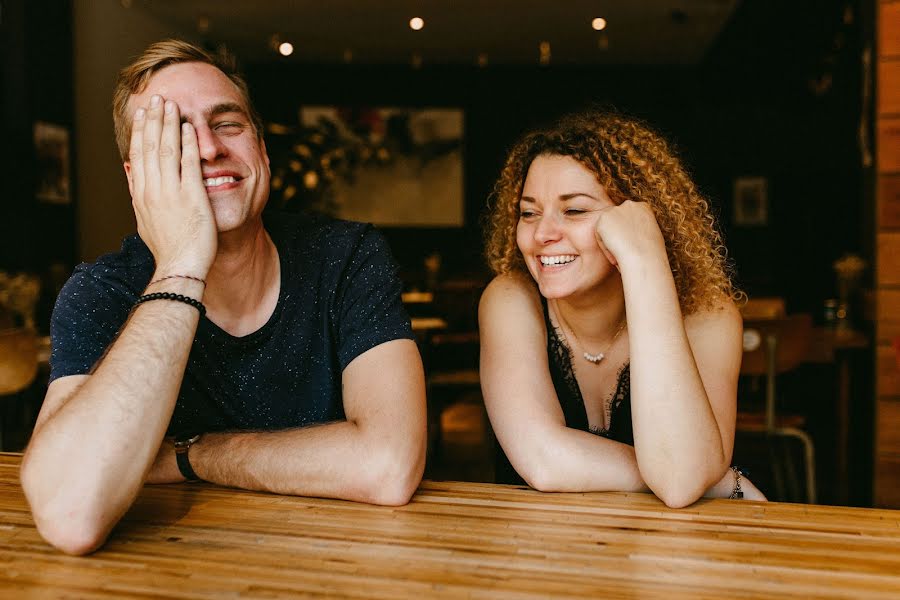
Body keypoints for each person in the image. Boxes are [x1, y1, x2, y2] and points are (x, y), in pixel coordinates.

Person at [20, 40, 427, 555]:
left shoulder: (345, 257)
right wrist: (181, 264)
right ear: (137, 176)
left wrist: (196, 455)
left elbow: (387, 466)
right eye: (177, 136)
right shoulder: (101, 291)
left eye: (227, 123)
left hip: (339, 558)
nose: (209, 149)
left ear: (261, 146)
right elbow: (69, 515)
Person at [479, 109, 764, 507]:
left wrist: (645, 260)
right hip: (540, 549)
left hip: (672, 557)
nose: (542, 233)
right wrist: (709, 480)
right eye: (528, 213)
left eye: (574, 210)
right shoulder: (510, 298)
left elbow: (680, 482)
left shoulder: (708, 316)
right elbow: (543, 460)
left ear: (640, 218)